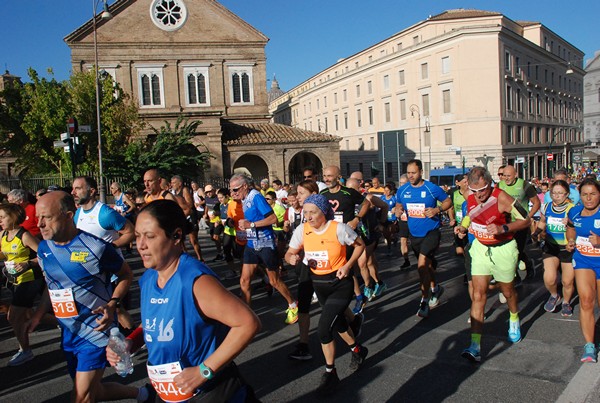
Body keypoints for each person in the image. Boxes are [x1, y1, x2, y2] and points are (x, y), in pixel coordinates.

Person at [107, 200, 260, 402]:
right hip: (171, 394)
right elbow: (155, 323)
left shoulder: (195, 280)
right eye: (137, 236)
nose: (140, 245)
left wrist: (204, 370)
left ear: (176, 236)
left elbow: (248, 323)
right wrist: (131, 342)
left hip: (213, 394)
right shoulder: (148, 278)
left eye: (150, 236)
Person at [27, 191, 145, 402]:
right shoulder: (44, 248)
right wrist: (38, 313)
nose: (40, 224)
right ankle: (141, 394)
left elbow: (126, 275)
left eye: (47, 217)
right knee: (92, 392)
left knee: (81, 397)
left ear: (68, 215)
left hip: (95, 332)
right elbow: (51, 285)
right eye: (38, 217)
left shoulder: (97, 247)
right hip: (69, 332)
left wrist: (112, 303)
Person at [285, 194, 367, 396]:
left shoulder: (338, 228)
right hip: (319, 286)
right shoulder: (302, 230)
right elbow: (289, 253)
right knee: (338, 324)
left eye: (313, 212)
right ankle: (358, 350)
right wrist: (291, 257)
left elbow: (360, 245)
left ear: (324, 212)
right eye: (305, 213)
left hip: (340, 284)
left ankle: (330, 373)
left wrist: (348, 266)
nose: (309, 217)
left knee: (323, 328)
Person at [456, 167, 530, 362]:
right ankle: (475, 345)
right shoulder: (470, 195)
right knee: (478, 294)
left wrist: (502, 227)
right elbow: (470, 214)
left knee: (507, 292)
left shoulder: (502, 197)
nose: (478, 195)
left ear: (490, 184)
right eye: (474, 191)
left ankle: (514, 317)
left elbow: (526, 220)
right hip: (480, 248)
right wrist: (463, 226)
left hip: (503, 248)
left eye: (482, 190)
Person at [230, 174, 299, 325]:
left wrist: (251, 225)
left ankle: (293, 304)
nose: (232, 193)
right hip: (251, 244)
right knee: (244, 281)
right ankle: (247, 317)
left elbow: (273, 219)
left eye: (235, 189)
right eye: (231, 190)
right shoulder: (243, 198)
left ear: (244, 186)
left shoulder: (256, 197)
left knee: (274, 281)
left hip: (266, 243)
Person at [72, 176, 137, 334]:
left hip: (112, 273)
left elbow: (131, 232)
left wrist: (109, 247)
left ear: (92, 191)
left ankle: (134, 339)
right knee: (99, 310)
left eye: (78, 188)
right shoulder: (78, 214)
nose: (73, 192)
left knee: (117, 309)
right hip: (91, 273)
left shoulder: (105, 213)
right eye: (73, 188)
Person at [395, 159, 452, 318]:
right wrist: (398, 210)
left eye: (413, 173)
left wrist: (437, 209)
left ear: (421, 172)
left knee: (421, 266)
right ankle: (436, 289)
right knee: (427, 268)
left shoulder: (431, 188)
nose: (411, 176)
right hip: (415, 235)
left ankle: (424, 301)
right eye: (408, 173)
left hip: (431, 233)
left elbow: (448, 201)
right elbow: (399, 204)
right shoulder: (403, 190)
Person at [1, 203, 45, 366]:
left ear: (13, 217)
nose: (0, 220)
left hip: (30, 279)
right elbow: (5, 253)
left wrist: (28, 263)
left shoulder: (24, 236)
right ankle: (65, 324)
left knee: (13, 316)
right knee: (27, 315)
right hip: (14, 280)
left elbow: (45, 255)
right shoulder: (3, 235)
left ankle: (25, 351)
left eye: (2, 217)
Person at [566, 178, 600, 362]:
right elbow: (570, 228)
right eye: (585, 194)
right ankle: (589, 345)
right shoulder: (574, 212)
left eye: (593, 194)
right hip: (583, 260)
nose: (589, 198)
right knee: (586, 300)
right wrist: (570, 240)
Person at [532, 180, 575, 315]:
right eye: (554, 193)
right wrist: (536, 233)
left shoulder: (572, 209)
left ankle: (566, 302)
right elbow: (542, 222)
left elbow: (578, 227)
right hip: (551, 246)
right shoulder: (546, 207)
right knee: (549, 278)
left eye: (560, 193)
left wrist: (569, 223)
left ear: (566, 194)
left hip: (567, 248)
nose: (556, 196)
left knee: (567, 281)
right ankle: (554, 294)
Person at [499, 165, 540, 279]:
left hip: (520, 224)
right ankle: (514, 275)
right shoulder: (499, 185)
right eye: (504, 176)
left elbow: (536, 203)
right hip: (506, 223)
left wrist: (528, 217)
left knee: (517, 250)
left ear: (515, 175)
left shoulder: (524, 185)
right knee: (508, 250)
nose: (506, 178)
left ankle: (525, 267)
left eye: (509, 176)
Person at [170, 175, 204, 262]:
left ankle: (200, 258)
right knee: (180, 239)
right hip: (182, 216)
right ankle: (187, 258)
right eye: (171, 182)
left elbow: (190, 204)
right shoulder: (174, 192)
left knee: (193, 240)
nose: (172, 184)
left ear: (180, 183)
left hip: (190, 216)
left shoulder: (184, 190)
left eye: (174, 183)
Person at [448, 174, 469, 257]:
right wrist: (451, 219)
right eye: (465, 182)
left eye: (468, 181)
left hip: (468, 224)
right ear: (458, 183)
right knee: (459, 251)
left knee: (468, 248)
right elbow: (451, 208)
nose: (467, 184)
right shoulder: (454, 193)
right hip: (458, 224)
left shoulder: (472, 193)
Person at [397, 174, 411, 269]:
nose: (402, 185)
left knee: (415, 242)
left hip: (414, 220)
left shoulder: (413, 191)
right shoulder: (399, 193)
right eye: (400, 183)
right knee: (403, 240)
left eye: (404, 183)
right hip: (403, 220)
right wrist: (396, 210)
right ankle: (406, 260)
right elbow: (397, 205)